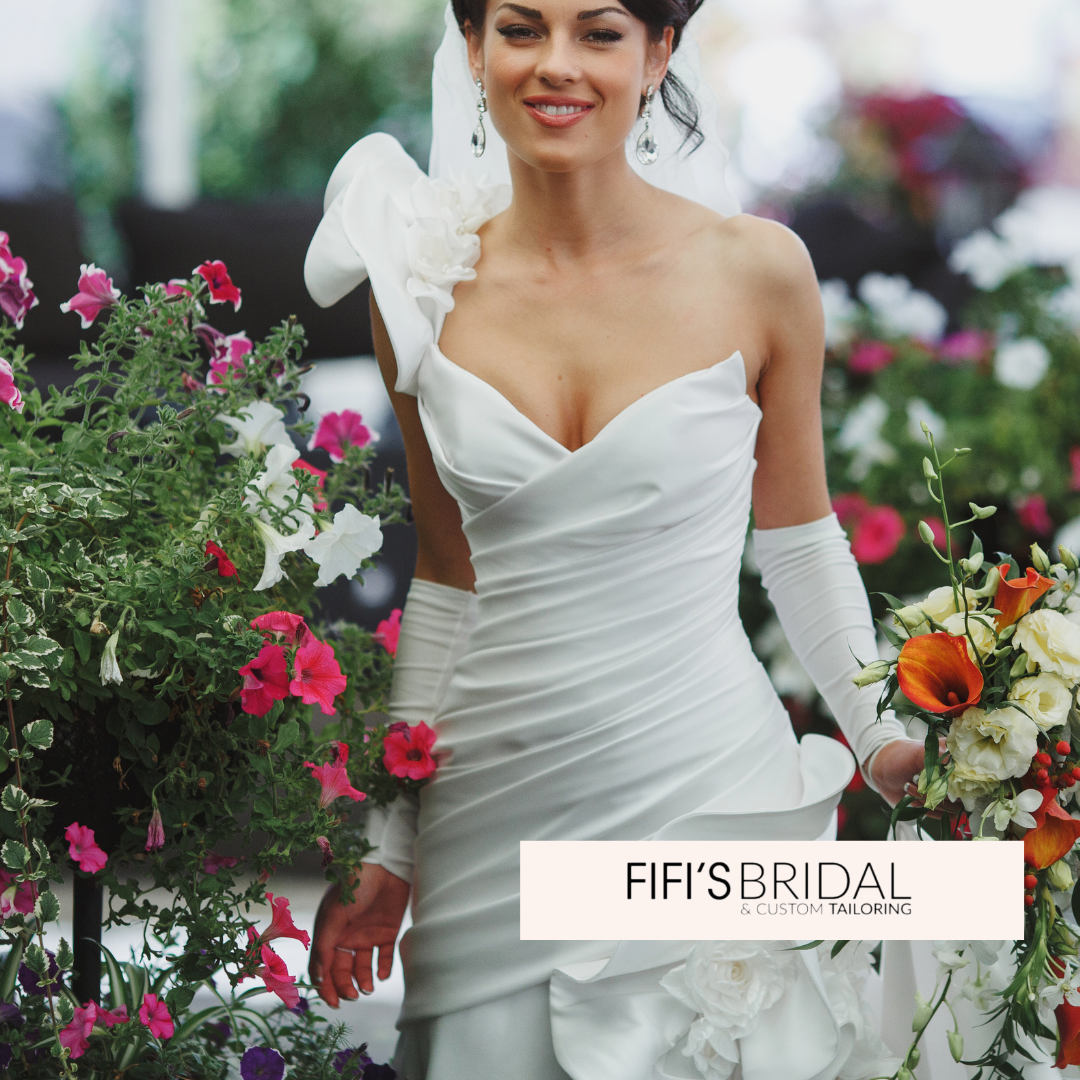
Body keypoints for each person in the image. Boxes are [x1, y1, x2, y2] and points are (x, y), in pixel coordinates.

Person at [302, 2, 937, 1077]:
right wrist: (391, 843)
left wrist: (881, 742)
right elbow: (447, 579)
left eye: (600, 32)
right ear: (472, 49)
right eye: (520, 28)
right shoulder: (419, 285)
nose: (557, 66)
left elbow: (800, 542)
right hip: (490, 825)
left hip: (706, 788)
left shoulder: (759, 272)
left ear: (660, 53)